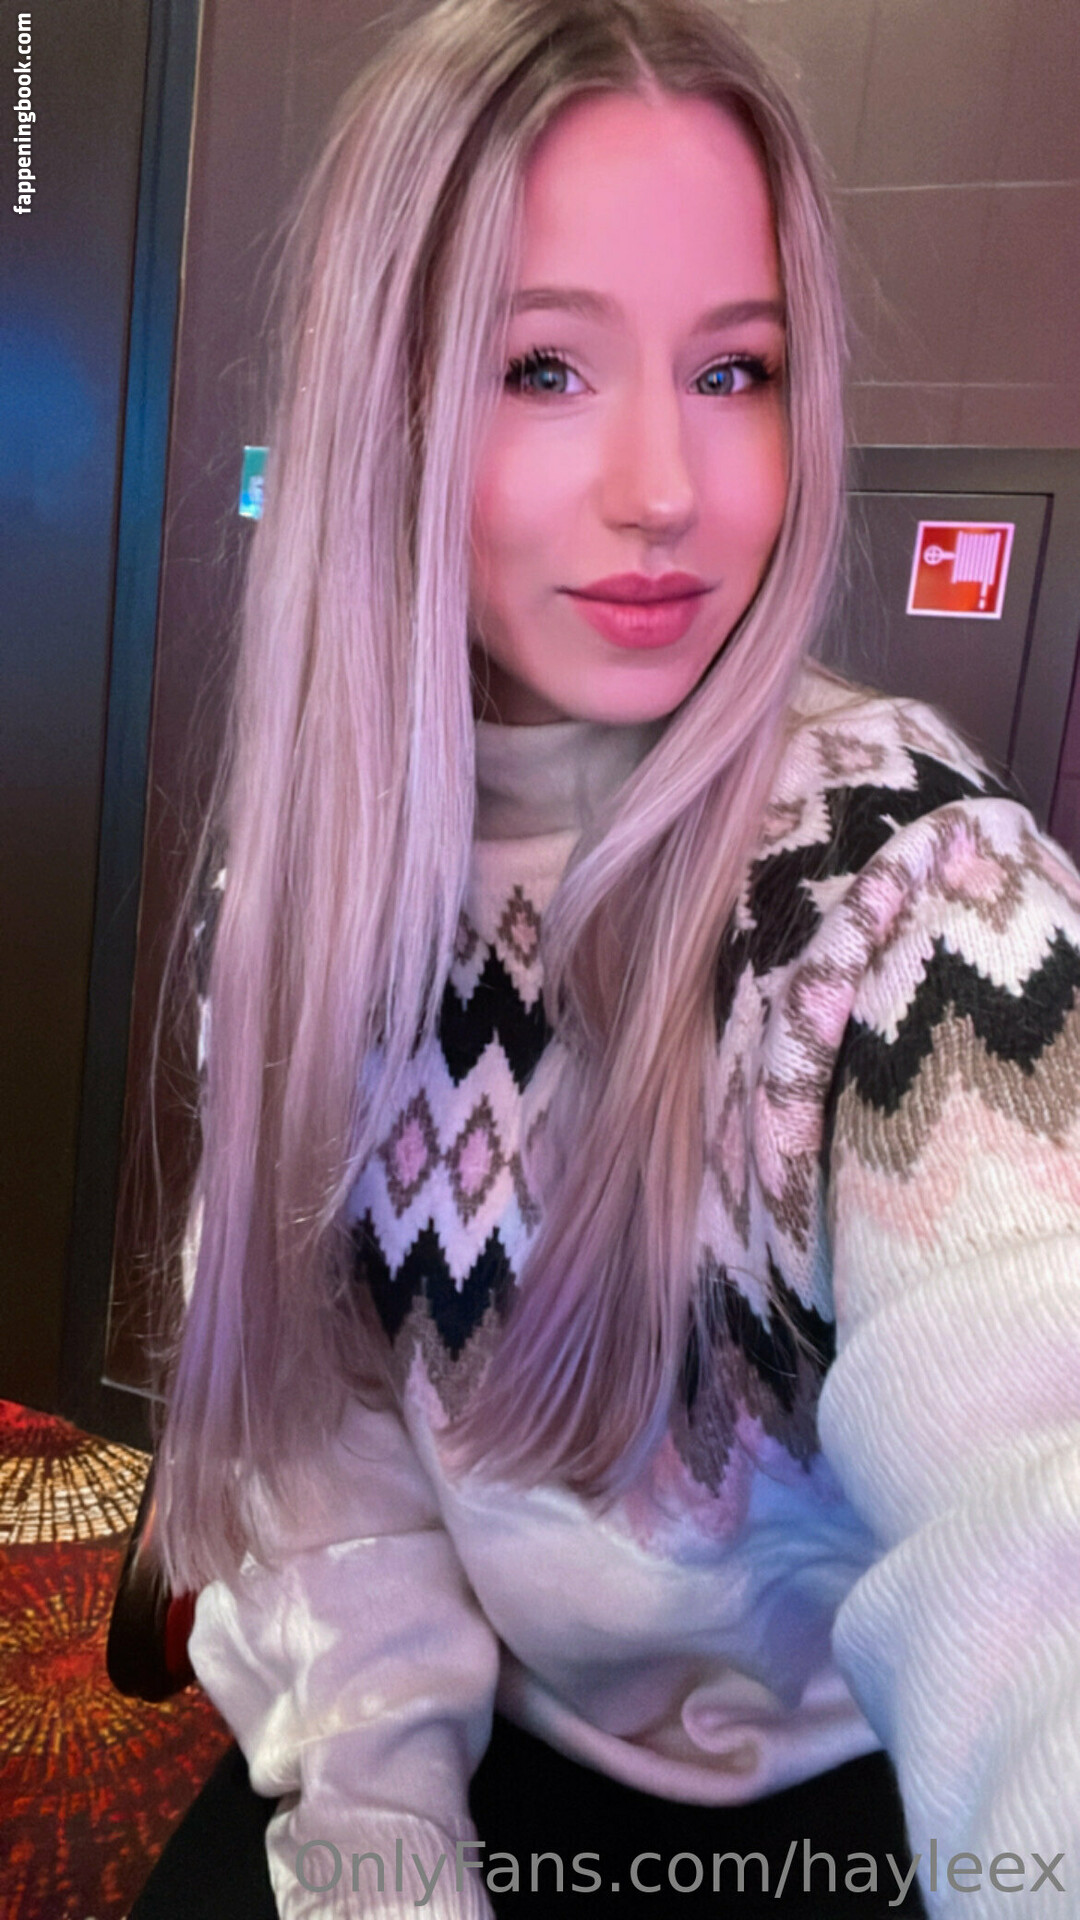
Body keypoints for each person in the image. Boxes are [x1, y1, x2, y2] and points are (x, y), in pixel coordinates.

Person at [132, 0, 1080, 1914]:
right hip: (443, 1727)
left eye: (735, 372)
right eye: (545, 367)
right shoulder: (313, 877)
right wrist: (387, 1834)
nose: (666, 486)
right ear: (386, 402)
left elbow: (1038, 1497)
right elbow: (323, 1469)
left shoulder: (915, 892)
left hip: (834, 1802)